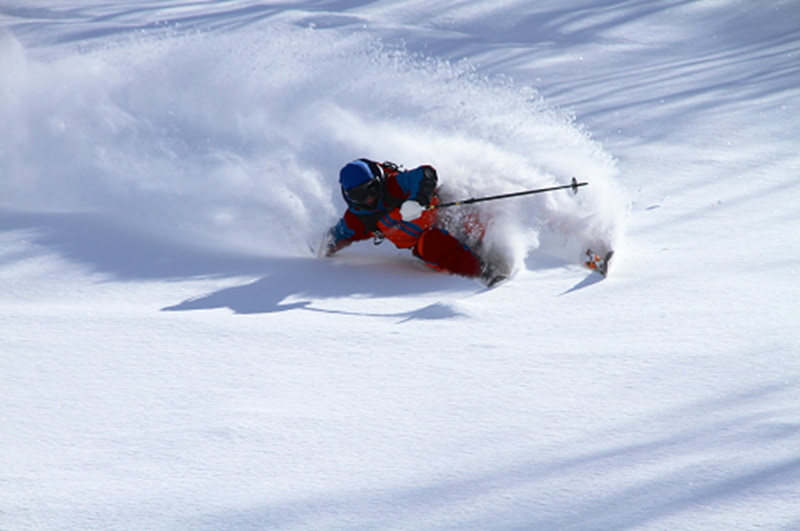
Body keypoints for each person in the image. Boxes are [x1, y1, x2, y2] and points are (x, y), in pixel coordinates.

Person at [319, 158, 505, 286]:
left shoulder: (393, 185)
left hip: (446, 214)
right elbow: (337, 236)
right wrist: (321, 248)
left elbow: (426, 173)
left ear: (377, 181)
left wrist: (418, 200)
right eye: (359, 195)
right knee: (434, 243)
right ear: (349, 196)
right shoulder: (358, 219)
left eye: (372, 189)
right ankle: (485, 274)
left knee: (476, 218)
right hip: (426, 241)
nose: (368, 198)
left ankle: (497, 249)